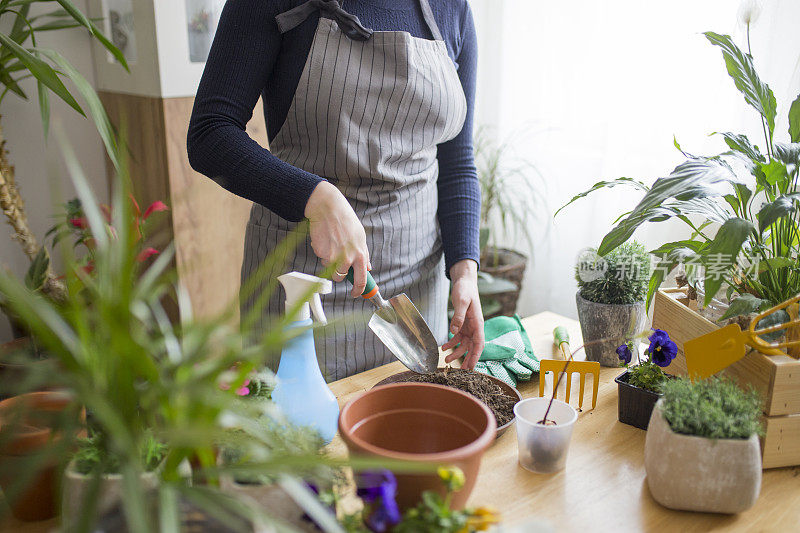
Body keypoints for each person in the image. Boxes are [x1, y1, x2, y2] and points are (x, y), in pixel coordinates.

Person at [187, 0, 483, 381]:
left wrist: (464, 272)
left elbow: (458, 161)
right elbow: (210, 133)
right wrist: (314, 196)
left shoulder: (451, 8)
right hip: (304, 288)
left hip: (415, 298)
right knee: (302, 437)